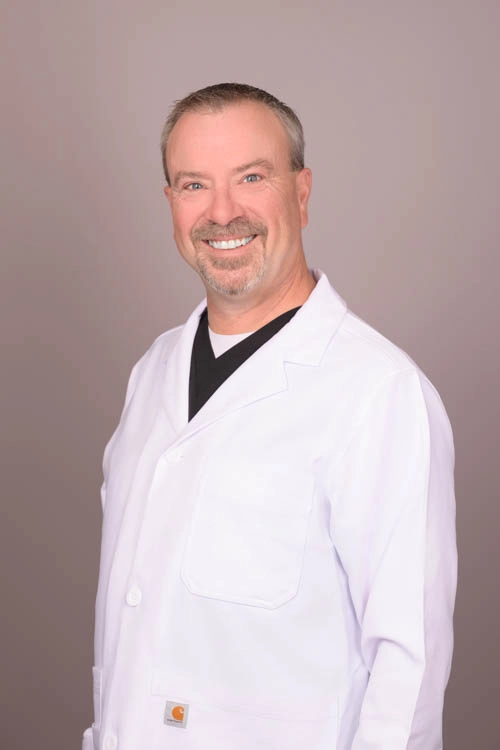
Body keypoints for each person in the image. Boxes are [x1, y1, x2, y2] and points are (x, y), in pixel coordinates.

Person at [82, 83, 457, 750]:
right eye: (194, 185)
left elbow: (409, 671)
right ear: (171, 203)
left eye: (251, 178)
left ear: (301, 193)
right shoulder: (153, 372)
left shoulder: (378, 392)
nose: (222, 212)